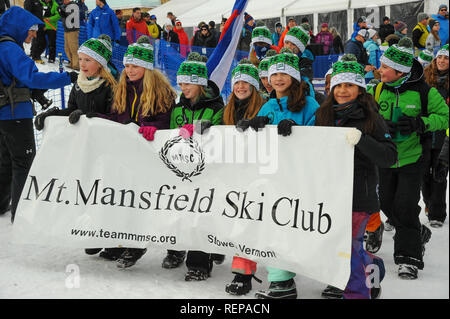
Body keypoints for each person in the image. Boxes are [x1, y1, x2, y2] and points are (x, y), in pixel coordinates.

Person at [89, 36, 176, 267]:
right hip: (127, 155)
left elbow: (168, 122)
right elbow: (118, 118)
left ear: (146, 67)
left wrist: (152, 128)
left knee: (149, 202)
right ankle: (127, 243)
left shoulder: (161, 91)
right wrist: (96, 119)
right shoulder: (122, 89)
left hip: (151, 155)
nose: (129, 70)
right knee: (126, 200)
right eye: (127, 66)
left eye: (134, 66)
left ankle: (160, 247)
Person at [315, 54, 397, 299]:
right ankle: (373, 267)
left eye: (349, 85)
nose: (343, 90)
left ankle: (356, 294)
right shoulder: (323, 114)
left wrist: (362, 140)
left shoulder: (370, 116)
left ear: (360, 88)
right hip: (330, 193)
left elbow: (389, 156)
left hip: (358, 196)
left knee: (347, 249)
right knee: (345, 248)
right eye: (338, 85)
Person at [243, 49, 319, 299]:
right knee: (273, 227)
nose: (277, 78)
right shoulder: (268, 104)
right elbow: (255, 143)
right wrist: (253, 127)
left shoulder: (309, 104)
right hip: (274, 176)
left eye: (284, 74)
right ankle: (281, 283)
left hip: (301, 177)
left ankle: (334, 277)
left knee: (297, 229)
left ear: (295, 77)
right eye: (274, 74)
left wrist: (298, 132)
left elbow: (323, 136)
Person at [371, 37, 448, 279]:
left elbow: (444, 117)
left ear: (400, 71)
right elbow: (367, 116)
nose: (379, 70)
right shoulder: (377, 89)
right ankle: (417, 232)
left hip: (413, 159)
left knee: (405, 205)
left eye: (384, 67)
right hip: (385, 158)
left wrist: (420, 122)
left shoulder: (425, 92)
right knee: (385, 203)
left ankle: (408, 257)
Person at [0, 6, 77, 223]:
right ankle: (22, 213)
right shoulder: (10, 49)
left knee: (6, 160)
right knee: (24, 162)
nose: (34, 34)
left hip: (3, 114)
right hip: (14, 111)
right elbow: (32, 77)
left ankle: (1, 204)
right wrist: (66, 78)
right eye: (31, 29)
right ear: (18, 27)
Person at [164, 52, 225, 280]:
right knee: (178, 209)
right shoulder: (178, 109)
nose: (183, 87)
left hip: (207, 170)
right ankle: (175, 249)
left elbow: (223, 132)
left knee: (201, 214)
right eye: (180, 83)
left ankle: (200, 262)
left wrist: (204, 127)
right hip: (181, 167)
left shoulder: (216, 107)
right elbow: (170, 135)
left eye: (188, 83)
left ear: (200, 83)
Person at [222, 59, 265, 295]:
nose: (240, 86)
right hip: (234, 174)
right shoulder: (227, 109)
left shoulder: (264, 106)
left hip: (260, 174)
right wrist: (203, 129)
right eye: (237, 82)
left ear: (254, 86)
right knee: (240, 223)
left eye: (245, 82)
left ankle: (247, 273)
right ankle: (241, 271)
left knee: (249, 223)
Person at [422, 44, 449, 228]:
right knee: (424, 174)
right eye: (440, 57)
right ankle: (429, 204)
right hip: (424, 133)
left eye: (446, 58)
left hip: (443, 136)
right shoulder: (425, 79)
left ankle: (437, 213)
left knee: (439, 174)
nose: (442, 61)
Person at [58, 0, 81, 71]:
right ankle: (72, 63)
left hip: (73, 30)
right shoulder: (67, 6)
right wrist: (60, 11)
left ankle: (76, 65)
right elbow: (63, 15)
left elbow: (69, 16)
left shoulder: (74, 5)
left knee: (73, 48)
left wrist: (61, 10)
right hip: (67, 29)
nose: (63, 1)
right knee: (67, 48)